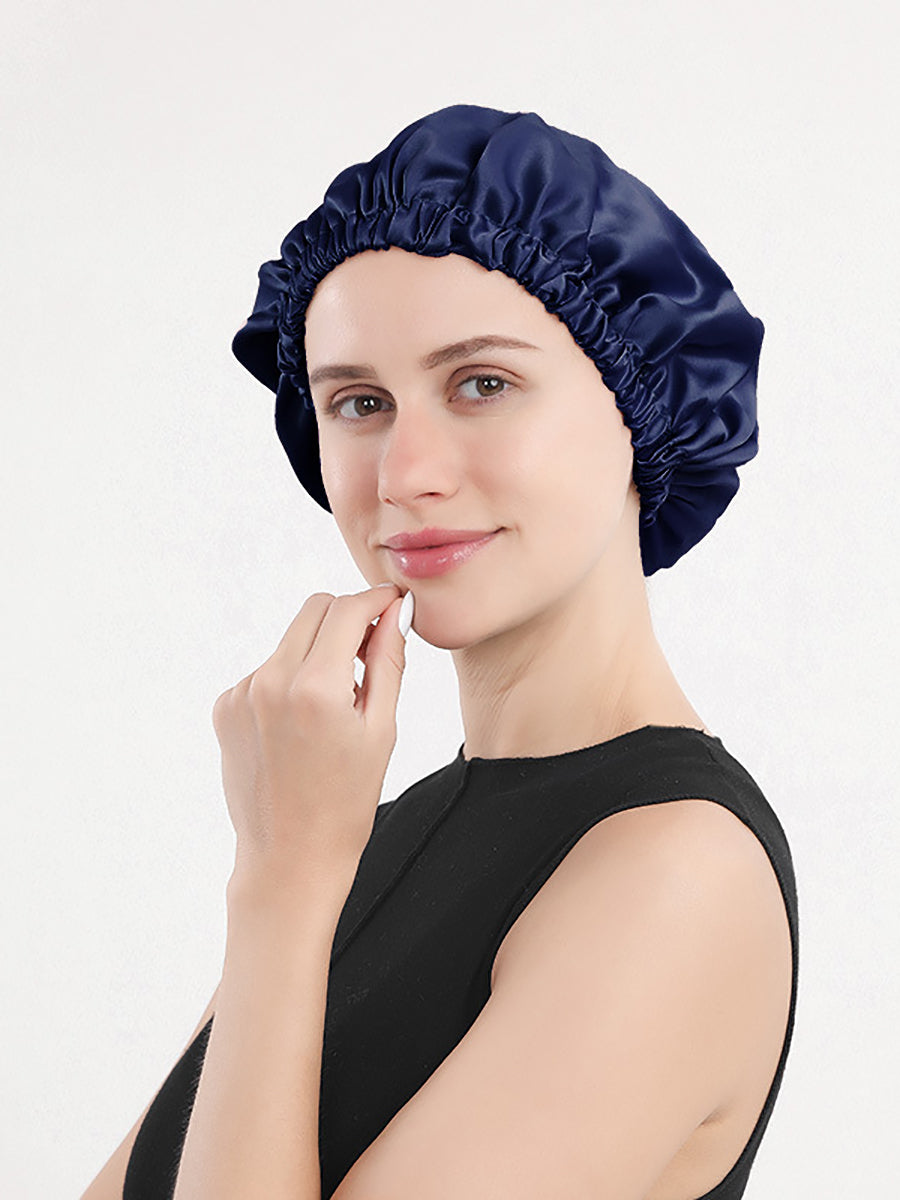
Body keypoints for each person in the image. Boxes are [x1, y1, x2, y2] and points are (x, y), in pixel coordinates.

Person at [80, 104, 798, 1200]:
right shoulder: (351, 833)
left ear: (641, 398)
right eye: (359, 402)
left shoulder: (676, 873)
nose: (404, 473)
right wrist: (291, 870)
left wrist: (280, 883)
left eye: (482, 384)